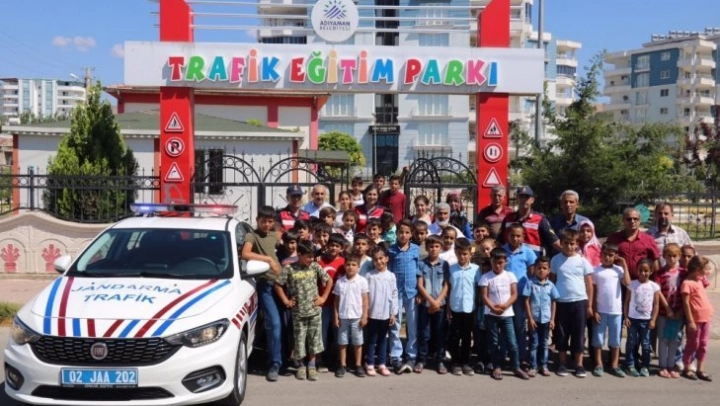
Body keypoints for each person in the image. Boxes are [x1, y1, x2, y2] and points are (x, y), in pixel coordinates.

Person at [274, 241, 332, 381]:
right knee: (299, 340)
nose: (311, 259)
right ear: (299, 255)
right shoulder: (289, 269)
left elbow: (329, 280)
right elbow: (278, 285)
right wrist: (286, 301)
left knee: (314, 339)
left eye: (312, 256)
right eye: (308, 256)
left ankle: (311, 366)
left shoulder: (315, 267)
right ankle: (301, 366)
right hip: (298, 313)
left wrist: (323, 297)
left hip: (314, 311)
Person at [240, 205, 283, 382]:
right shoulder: (252, 236)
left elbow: (284, 245)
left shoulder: (274, 235)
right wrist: (268, 260)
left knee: (286, 324)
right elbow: (245, 253)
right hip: (266, 286)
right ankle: (274, 363)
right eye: (263, 221)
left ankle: (290, 360)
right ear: (257, 220)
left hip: (282, 284)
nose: (266, 225)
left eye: (270, 221)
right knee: (274, 324)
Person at [479, 248, 529, 380]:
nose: (497, 265)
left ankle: (516, 367)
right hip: (491, 315)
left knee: (512, 342)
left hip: (507, 315)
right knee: (494, 342)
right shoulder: (486, 277)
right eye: (495, 262)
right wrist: (493, 308)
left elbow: (514, 294)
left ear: (505, 262)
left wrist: (505, 306)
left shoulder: (510, 276)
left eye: (500, 262)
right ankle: (496, 366)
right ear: (491, 261)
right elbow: (484, 296)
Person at [550, 229, 594, 378]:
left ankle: (579, 365)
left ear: (577, 244)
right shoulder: (555, 260)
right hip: (562, 302)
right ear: (561, 243)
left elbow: (589, 284)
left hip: (579, 301)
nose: (569, 246)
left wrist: (589, 305)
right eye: (566, 243)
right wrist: (552, 302)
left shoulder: (582, 261)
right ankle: (562, 363)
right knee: (561, 334)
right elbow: (552, 282)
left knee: (579, 334)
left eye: (572, 243)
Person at [591, 243, 631, 378]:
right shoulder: (596, 271)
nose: (608, 258)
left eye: (611, 255)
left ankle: (614, 365)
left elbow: (628, 283)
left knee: (615, 340)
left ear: (615, 257)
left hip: (616, 311)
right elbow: (593, 292)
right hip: (600, 310)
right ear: (600, 255)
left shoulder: (618, 270)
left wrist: (624, 265)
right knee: (598, 339)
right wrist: (594, 310)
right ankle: (598, 364)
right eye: (605, 255)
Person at [501, 223, 537, 368]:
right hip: (505, 295)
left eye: (518, 236)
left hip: (521, 295)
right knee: (505, 325)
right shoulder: (502, 251)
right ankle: (504, 355)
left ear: (523, 237)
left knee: (520, 326)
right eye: (512, 235)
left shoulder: (528, 253)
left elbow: (532, 274)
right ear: (507, 235)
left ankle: (521, 356)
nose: (515, 238)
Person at [387, 219, 421, 374]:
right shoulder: (391, 250)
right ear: (396, 233)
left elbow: (420, 271)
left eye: (407, 232)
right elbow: (388, 271)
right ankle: (395, 355)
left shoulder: (416, 250)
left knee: (412, 325)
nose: (403, 235)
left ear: (411, 234)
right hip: (396, 293)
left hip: (412, 292)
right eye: (401, 232)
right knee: (395, 324)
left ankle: (412, 355)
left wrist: (420, 291)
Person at [445, 238, 480, 376]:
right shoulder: (451, 269)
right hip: (455, 307)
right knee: (454, 336)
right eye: (459, 254)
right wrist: (448, 308)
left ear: (470, 253)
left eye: (465, 254)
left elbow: (478, 289)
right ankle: (455, 363)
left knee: (466, 336)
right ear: (455, 253)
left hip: (470, 308)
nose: (462, 257)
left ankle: (465, 362)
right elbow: (448, 289)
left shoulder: (476, 270)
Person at [416, 235, 450, 374]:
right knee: (424, 334)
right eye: (431, 246)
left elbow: (446, 285)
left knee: (440, 334)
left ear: (441, 248)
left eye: (437, 246)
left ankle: (440, 360)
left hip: (440, 305)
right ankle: (422, 360)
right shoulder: (421, 264)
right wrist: (431, 301)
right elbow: (420, 285)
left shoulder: (445, 264)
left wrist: (437, 302)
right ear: (426, 248)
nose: (434, 249)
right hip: (425, 305)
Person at [333, 253, 369, 378]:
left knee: (357, 342)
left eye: (354, 265)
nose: (350, 267)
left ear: (358, 267)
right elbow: (336, 301)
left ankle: (358, 365)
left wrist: (364, 316)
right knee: (342, 342)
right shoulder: (340, 282)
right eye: (348, 264)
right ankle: (342, 365)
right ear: (344, 266)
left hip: (357, 316)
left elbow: (365, 300)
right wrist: (336, 316)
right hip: (343, 316)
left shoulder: (362, 281)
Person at [364, 245, 399, 377]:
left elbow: (394, 294)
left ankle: (382, 364)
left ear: (387, 258)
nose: (379, 261)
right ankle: (370, 363)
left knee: (383, 339)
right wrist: (365, 312)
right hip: (372, 313)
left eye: (381, 258)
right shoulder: (369, 276)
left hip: (385, 314)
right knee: (371, 339)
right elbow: (365, 295)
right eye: (376, 259)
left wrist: (393, 313)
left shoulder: (391, 276)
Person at [499, 186, 560, 258]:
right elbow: (499, 242)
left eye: (527, 197)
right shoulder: (508, 219)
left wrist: (569, 254)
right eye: (521, 197)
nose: (523, 200)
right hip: (511, 260)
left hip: (533, 261)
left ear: (532, 200)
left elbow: (554, 242)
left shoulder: (540, 219)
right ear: (517, 198)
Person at [624, 259, 661, 377]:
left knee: (645, 344)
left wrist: (653, 319)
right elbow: (627, 301)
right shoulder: (632, 284)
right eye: (640, 270)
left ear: (651, 271)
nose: (643, 273)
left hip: (646, 321)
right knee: (631, 342)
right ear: (637, 270)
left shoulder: (654, 286)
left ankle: (645, 366)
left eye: (646, 270)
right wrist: (626, 317)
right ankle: (630, 364)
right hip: (632, 319)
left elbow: (656, 305)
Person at [523, 256, 559, 377]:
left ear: (548, 270)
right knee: (534, 343)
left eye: (544, 268)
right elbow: (526, 301)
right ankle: (533, 366)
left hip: (546, 320)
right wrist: (530, 318)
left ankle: (544, 365)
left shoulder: (551, 285)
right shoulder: (530, 284)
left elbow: (554, 302)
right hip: (534, 319)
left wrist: (552, 319)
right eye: (539, 268)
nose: (541, 270)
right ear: (535, 269)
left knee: (544, 343)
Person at [681, 256, 714, 382]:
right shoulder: (687, 283)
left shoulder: (699, 280)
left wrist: (704, 273)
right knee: (693, 344)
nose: (707, 271)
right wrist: (690, 321)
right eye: (705, 269)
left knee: (703, 344)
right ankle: (687, 368)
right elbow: (686, 303)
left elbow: (706, 281)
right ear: (697, 270)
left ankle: (700, 369)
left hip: (706, 318)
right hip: (695, 319)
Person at [316, 234, 346, 371]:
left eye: (337, 246)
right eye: (332, 245)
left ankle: (337, 359)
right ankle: (320, 359)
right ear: (327, 246)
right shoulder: (320, 261)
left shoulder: (344, 263)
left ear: (341, 248)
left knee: (338, 333)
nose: (334, 248)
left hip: (339, 305)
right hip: (323, 304)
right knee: (321, 333)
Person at [653, 243, 683, 378]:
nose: (672, 258)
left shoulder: (683, 273)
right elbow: (658, 292)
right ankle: (662, 366)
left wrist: (680, 311)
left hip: (678, 313)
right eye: (669, 256)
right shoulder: (660, 273)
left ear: (679, 256)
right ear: (664, 256)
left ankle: (671, 365)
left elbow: (686, 294)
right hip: (664, 313)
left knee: (674, 340)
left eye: (674, 256)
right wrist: (667, 308)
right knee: (663, 339)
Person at [606, 207, 660, 279]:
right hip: (618, 280)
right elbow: (605, 256)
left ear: (639, 221)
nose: (632, 221)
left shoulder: (648, 239)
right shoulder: (613, 238)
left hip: (641, 280)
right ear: (623, 220)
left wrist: (656, 280)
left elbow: (655, 261)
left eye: (635, 219)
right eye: (629, 219)